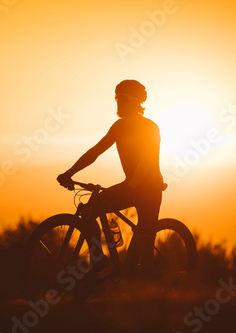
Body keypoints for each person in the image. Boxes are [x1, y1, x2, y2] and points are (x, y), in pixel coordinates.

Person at [56, 79, 166, 278]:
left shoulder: (150, 128)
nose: (118, 103)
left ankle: (153, 292)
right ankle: (98, 260)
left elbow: (146, 161)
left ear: (134, 101)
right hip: (131, 186)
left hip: (149, 190)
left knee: (144, 264)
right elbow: (95, 152)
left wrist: (131, 186)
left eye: (122, 99)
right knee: (91, 208)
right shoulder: (119, 127)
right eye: (116, 98)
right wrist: (70, 173)